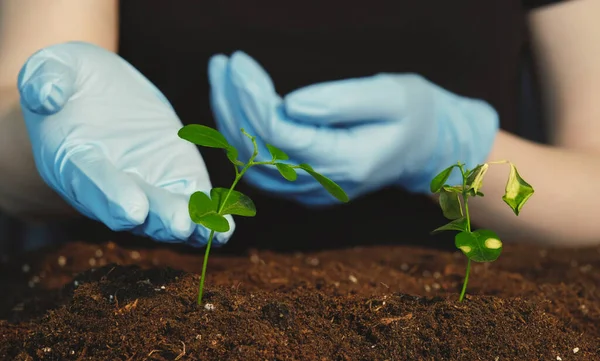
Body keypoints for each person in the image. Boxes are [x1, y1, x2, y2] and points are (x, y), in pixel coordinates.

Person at [1, 0, 598, 253]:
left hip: (465, 310)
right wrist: (55, 132)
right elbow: (14, 118)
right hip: (123, 298)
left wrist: (454, 149)